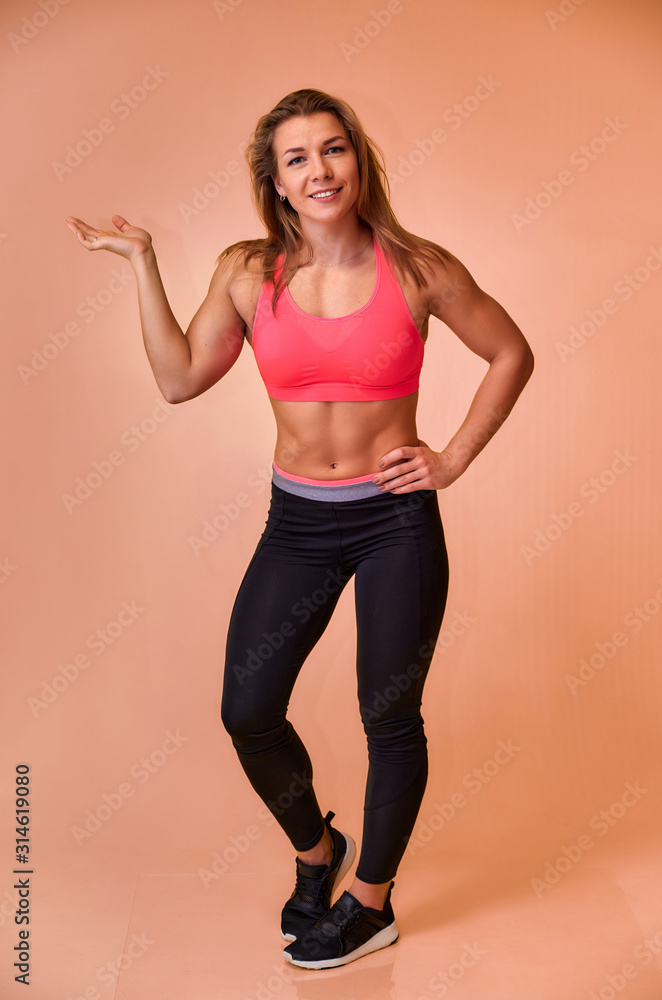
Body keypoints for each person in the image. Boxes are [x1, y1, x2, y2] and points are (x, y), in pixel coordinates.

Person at [65, 87, 534, 970]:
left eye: (334, 150)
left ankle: (372, 904)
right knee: (248, 708)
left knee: (389, 716)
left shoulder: (419, 267)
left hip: (395, 521)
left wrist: (456, 456)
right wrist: (141, 263)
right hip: (300, 524)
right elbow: (177, 380)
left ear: (359, 161)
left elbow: (512, 350)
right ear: (275, 182)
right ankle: (320, 855)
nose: (319, 170)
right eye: (297, 158)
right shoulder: (250, 272)